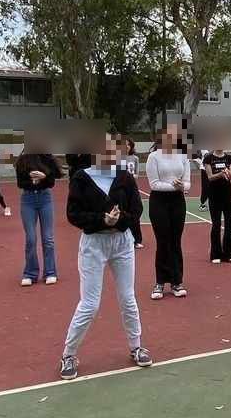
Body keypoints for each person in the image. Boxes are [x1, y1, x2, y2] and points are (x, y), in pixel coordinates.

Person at [59, 132, 151, 378]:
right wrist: (101, 219)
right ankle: (68, 354)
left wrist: (119, 220)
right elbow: (73, 214)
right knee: (90, 304)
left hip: (122, 243)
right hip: (93, 244)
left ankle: (136, 346)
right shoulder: (81, 178)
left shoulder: (125, 178)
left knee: (128, 299)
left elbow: (136, 209)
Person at [145, 128, 190, 299]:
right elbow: (154, 184)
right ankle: (160, 282)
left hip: (178, 202)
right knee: (163, 240)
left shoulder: (182, 156)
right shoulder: (153, 157)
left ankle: (177, 281)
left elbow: (187, 184)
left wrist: (181, 187)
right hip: (159, 202)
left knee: (176, 241)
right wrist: (176, 186)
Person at [15, 142, 63, 286]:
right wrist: (31, 180)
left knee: (48, 238)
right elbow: (20, 183)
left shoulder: (47, 158)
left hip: (45, 198)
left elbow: (52, 182)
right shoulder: (22, 161)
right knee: (30, 238)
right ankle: (30, 273)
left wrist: (44, 176)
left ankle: (50, 272)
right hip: (28, 199)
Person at [204, 141, 231, 263]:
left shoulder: (230, 158)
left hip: (227, 195)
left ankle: (229, 253)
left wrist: (228, 174)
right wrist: (221, 174)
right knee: (216, 224)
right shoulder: (208, 158)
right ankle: (215, 253)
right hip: (214, 195)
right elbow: (210, 177)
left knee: (229, 224)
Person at [121, 139, 144, 247]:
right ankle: (124, 238)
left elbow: (137, 173)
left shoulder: (135, 158)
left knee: (135, 212)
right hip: (121, 189)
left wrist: (131, 177)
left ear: (131, 146)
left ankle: (137, 240)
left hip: (132, 188)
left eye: (127, 145)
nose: (125, 147)